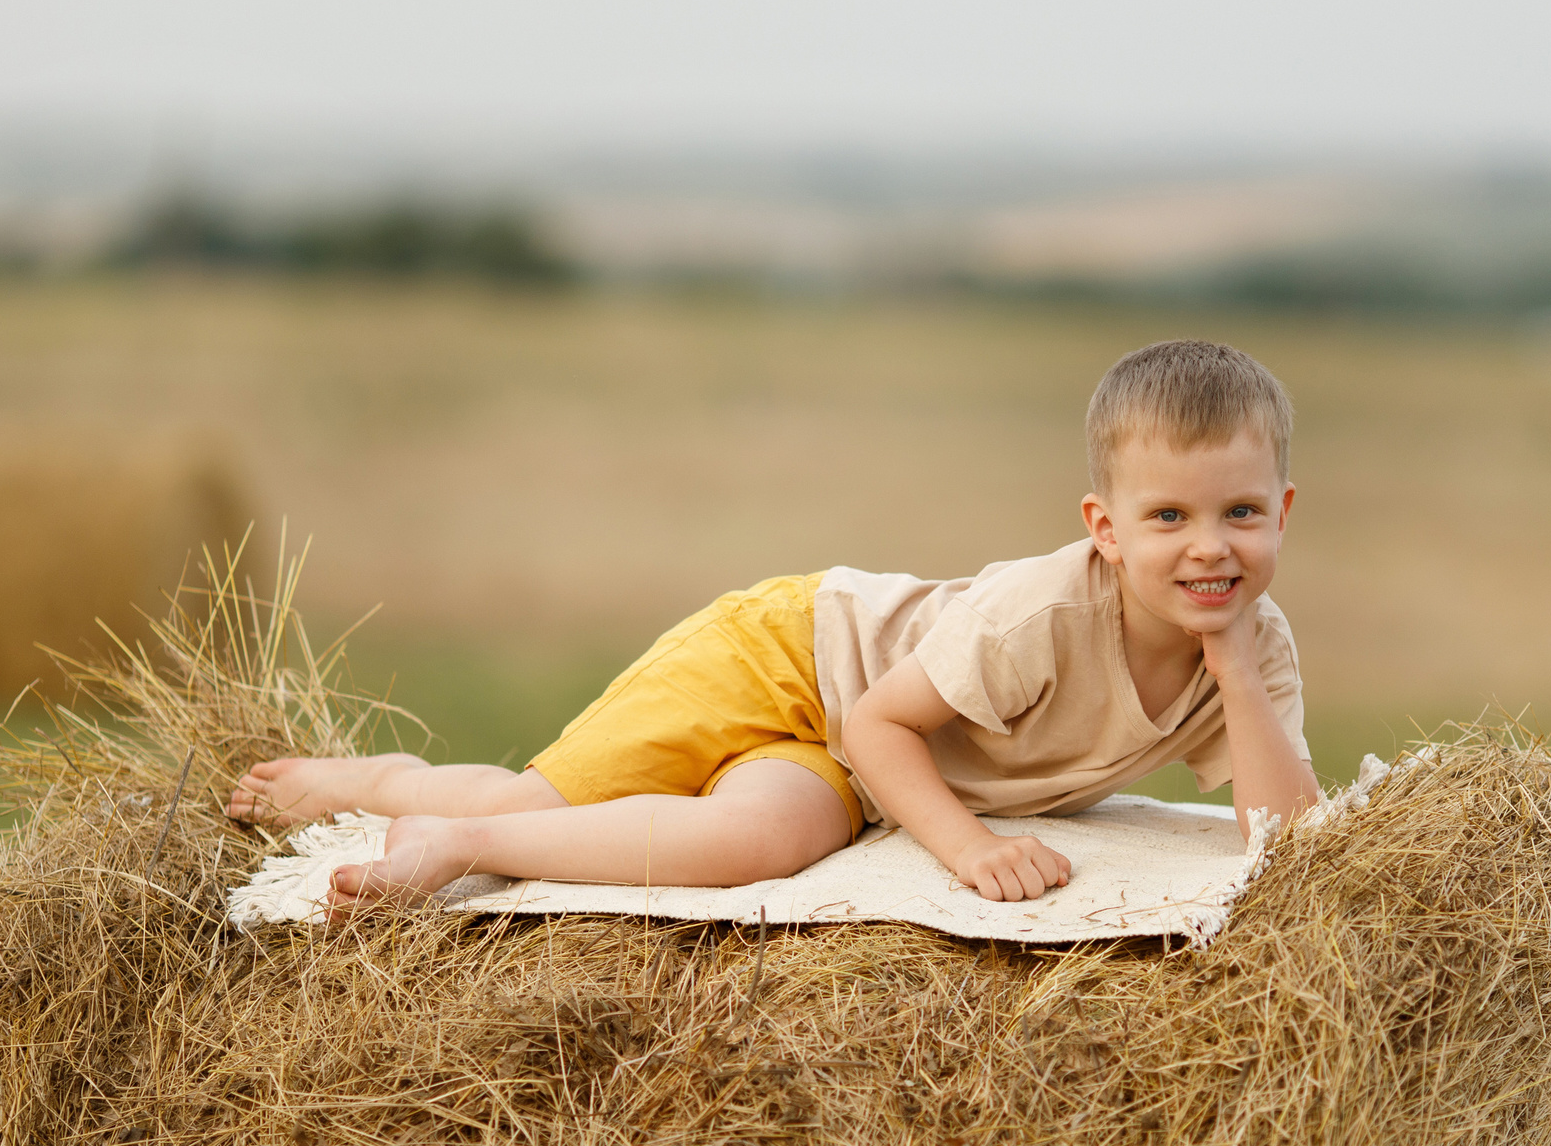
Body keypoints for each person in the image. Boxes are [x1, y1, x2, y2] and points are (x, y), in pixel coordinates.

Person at [229, 338, 1320, 911]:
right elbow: (882, 720)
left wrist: (1232, 668)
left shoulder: (1254, 647)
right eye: (1168, 517)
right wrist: (968, 847)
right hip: (790, 657)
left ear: (1280, 513)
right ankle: (397, 789)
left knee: (760, 845)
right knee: (538, 802)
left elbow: (1284, 831)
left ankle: (461, 841)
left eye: (1238, 514)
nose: (1208, 548)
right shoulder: (1042, 611)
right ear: (1105, 528)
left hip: (848, 764)